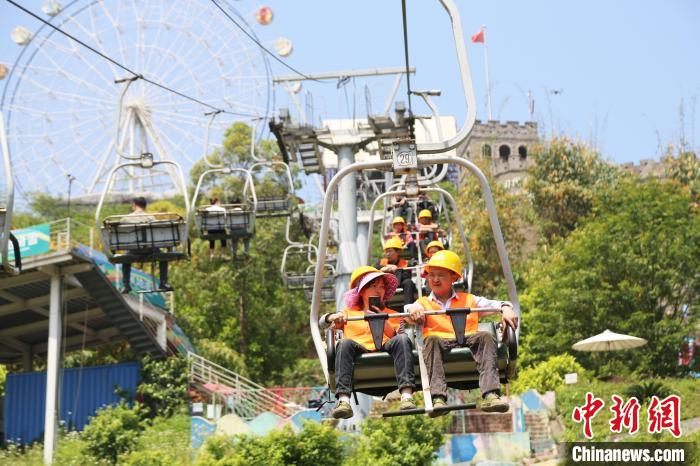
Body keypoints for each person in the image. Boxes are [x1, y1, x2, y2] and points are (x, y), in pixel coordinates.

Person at [406, 250, 518, 416]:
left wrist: (506, 308)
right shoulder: (422, 303)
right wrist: (413, 312)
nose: (435, 279)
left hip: (468, 338)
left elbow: (499, 304)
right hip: (440, 342)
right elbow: (408, 310)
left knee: (486, 336)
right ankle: (438, 398)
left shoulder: (469, 300)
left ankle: (491, 394)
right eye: (432, 275)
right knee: (431, 341)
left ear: (454, 278)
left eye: (441, 275)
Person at [320, 266, 416, 419]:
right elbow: (324, 322)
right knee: (344, 344)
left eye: (382, 287)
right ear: (362, 290)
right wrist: (333, 318)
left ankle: (406, 394)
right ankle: (344, 400)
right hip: (360, 351)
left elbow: (398, 337)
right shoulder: (348, 314)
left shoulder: (394, 315)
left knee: (403, 339)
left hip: (386, 350)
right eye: (373, 286)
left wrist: (384, 320)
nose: (379, 290)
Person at [120, 197, 172, 293]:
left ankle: (126, 284)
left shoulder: (126, 218)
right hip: (150, 250)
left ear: (134, 205)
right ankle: (163, 283)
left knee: (125, 259)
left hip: (133, 251)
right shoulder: (151, 218)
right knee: (163, 257)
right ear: (145, 206)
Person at [375, 237, 417, 309]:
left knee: (409, 282)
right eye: (387, 251)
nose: (388, 254)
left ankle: (408, 307)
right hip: (385, 285)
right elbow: (376, 269)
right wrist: (388, 268)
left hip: (400, 283)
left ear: (398, 252)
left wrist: (395, 269)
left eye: (390, 251)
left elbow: (406, 276)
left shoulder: (406, 263)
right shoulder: (381, 262)